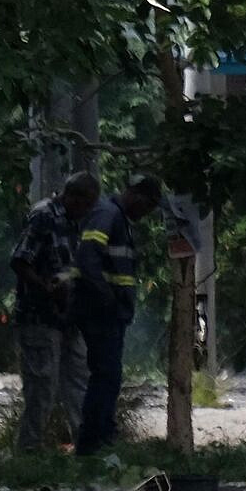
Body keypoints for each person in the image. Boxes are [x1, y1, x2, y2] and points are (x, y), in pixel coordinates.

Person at [11, 172, 101, 452]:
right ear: (73, 198)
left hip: (68, 319)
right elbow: (20, 260)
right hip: (39, 318)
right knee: (42, 387)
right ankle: (29, 452)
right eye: (86, 204)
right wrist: (46, 288)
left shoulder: (75, 222)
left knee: (78, 382)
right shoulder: (44, 216)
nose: (88, 211)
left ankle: (86, 448)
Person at [72, 174, 161, 456]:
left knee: (108, 376)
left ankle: (103, 438)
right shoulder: (107, 215)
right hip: (101, 313)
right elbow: (87, 258)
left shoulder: (117, 219)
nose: (145, 216)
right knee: (105, 375)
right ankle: (93, 444)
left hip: (110, 313)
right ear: (136, 196)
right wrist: (108, 299)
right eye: (146, 208)